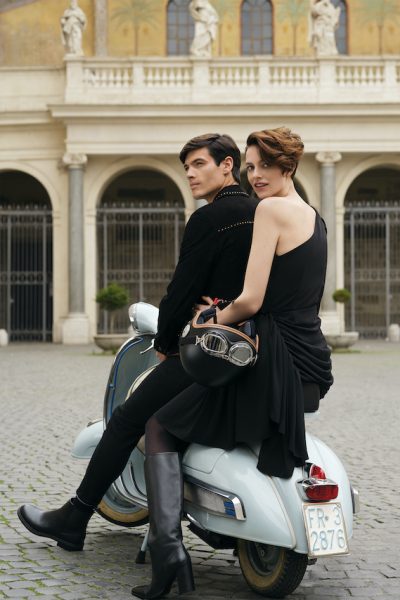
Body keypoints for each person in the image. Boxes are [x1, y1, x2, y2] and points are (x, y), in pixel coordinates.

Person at [17, 134, 258, 562]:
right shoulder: (263, 212)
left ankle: (75, 518)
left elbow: (182, 289)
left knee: (127, 419)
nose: (190, 174)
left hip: (212, 348)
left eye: (199, 164)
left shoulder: (210, 218)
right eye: (186, 167)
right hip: (258, 347)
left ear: (228, 165)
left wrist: (166, 343)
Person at [131, 127, 333, 599]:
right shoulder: (313, 216)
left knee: (159, 426)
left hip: (270, 362)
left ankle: (168, 554)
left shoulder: (269, 210)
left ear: (288, 167)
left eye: (265, 166)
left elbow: (252, 299)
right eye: (251, 166)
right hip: (310, 362)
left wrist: (207, 319)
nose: (255, 175)